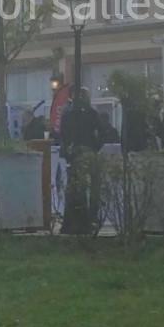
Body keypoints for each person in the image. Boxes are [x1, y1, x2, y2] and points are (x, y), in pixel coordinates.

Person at [60, 88, 104, 234]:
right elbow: (102, 133)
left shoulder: (69, 114)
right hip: (90, 151)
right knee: (94, 187)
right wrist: (95, 146)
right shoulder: (92, 113)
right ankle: (92, 217)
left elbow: (63, 135)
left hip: (77, 153)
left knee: (79, 187)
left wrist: (68, 152)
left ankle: (81, 218)